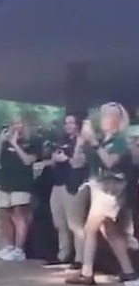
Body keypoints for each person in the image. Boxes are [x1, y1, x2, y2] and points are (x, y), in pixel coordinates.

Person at [67, 103, 139, 286]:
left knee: (90, 228)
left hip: (111, 190)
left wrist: (93, 142)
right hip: (98, 189)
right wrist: (81, 143)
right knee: (110, 231)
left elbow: (110, 162)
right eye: (104, 114)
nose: (106, 118)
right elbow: (76, 163)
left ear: (119, 120)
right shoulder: (98, 139)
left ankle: (87, 273)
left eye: (111, 115)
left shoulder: (120, 140)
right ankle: (129, 272)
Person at [0, 117, 41, 261]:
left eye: (19, 123)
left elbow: (28, 160)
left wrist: (15, 144)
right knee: (5, 214)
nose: (16, 126)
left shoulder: (32, 142)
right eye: (13, 124)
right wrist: (1, 142)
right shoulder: (6, 141)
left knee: (19, 215)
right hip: (5, 182)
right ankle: (10, 246)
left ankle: (20, 249)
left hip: (21, 183)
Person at [47, 114, 87, 267]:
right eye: (66, 122)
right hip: (57, 184)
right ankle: (63, 255)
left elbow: (79, 163)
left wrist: (66, 159)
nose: (68, 125)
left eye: (71, 122)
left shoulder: (82, 142)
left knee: (75, 224)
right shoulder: (61, 142)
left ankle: (80, 258)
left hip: (74, 185)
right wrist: (55, 158)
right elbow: (52, 161)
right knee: (60, 223)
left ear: (78, 125)